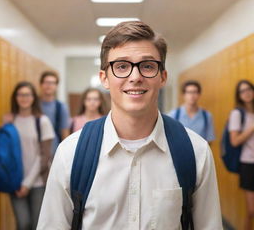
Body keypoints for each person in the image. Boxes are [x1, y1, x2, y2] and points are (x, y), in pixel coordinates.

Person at [37, 21, 223, 229]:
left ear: (162, 77)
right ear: (104, 78)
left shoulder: (195, 152)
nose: (135, 77)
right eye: (122, 66)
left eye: (148, 66)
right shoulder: (70, 153)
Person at [3, 81, 54, 230]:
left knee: (36, 224)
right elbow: (6, 153)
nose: (23, 98)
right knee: (22, 223)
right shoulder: (10, 121)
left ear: (33, 98)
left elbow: (44, 156)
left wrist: (27, 183)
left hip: (37, 182)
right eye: (20, 94)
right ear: (15, 97)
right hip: (15, 181)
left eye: (27, 94)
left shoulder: (42, 121)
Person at [228, 80, 254, 230]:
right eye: (242, 91)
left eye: (249, 89)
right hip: (248, 164)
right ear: (239, 95)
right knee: (251, 211)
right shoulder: (237, 113)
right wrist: (251, 128)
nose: (247, 93)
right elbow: (234, 141)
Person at [39, 71, 70, 155]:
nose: (49, 85)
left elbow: (65, 133)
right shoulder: (33, 105)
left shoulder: (61, 107)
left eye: (52, 83)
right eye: (46, 82)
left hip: (54, 153)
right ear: (41, 84)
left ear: (56, 86)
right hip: (34, 152)